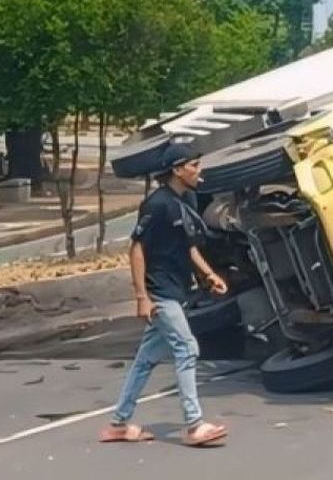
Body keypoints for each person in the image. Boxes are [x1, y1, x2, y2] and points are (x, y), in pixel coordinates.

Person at [100, 143, 230, 447]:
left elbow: (187, 246)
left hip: (177, 288)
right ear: (177, 169)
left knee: (145, 359)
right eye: (194, 165)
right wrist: (141, 296)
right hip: (160, 292)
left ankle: (119, 423)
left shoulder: (186, 200)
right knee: (187, 348)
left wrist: (209, 275)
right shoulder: (157, 204)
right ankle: (194, 424)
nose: (200, 171)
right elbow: (137, 249)